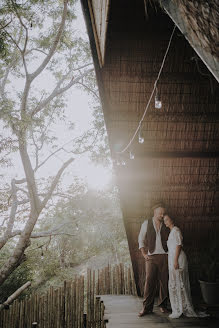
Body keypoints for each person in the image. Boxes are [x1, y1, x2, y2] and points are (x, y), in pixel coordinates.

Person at [138, 202, 170, 316]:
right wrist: (144, 254)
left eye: (163, 213)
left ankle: (163, 305)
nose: (162, 215)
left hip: (164, 256)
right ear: (154, 212)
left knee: (164, 282)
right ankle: (146, 308)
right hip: (151, 256)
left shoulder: (165, 223)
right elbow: (140, 239)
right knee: (149, 282)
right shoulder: (146, 223)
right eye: (160, 213)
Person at [163, 214, 198, 318]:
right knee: (175, 283)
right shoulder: (171, 232)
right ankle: (179, 307)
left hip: (177, 259)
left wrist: (175, 260)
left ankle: (183, 308)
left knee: (180, 282)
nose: (165, 222)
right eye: (164, 220)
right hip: (173, 259)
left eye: (167, 219)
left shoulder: (176, 230)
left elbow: (178, 245)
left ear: (172, 219)